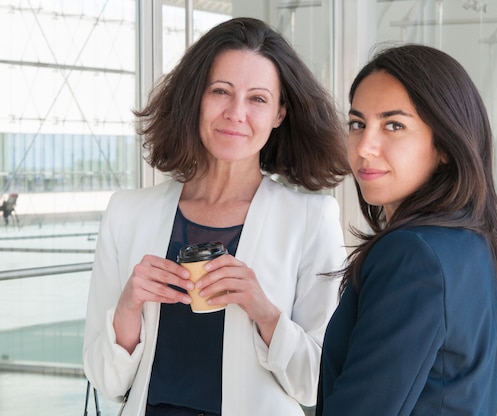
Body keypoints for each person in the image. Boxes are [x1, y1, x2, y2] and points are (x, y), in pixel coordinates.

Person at [83, 17, 350, 416]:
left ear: (280, 113)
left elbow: (316, 382)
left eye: (257, 99)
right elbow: (106, 380)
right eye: (220, 91)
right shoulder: (127, 213)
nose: (235, 112)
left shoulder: (311, 218)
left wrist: (264, 310)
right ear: (196, 99)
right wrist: (128, 306)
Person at [316, 44, 497, 415]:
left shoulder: (413, 255)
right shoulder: (469, 242)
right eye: (358, 124)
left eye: (394, 125)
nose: (365, 147)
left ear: (444, 145)